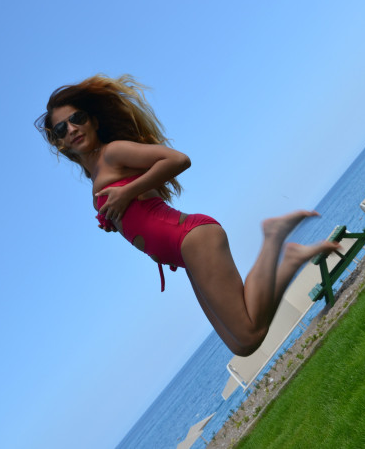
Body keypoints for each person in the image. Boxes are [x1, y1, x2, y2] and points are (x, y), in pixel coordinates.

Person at [35, 74, 339, 356]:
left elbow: (177, 160)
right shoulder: (96, 177)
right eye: (62, 128)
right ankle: (288, 254)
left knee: (250, 333)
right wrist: (116, 219)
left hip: (193, 239)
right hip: (183, 254)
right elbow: (141, 211)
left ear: (93, 121)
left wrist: (127, 193)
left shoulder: (112, 152)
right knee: (241, 345)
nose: (72, 129)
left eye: (77, 119)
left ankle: (277, 242)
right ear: (59, 143)